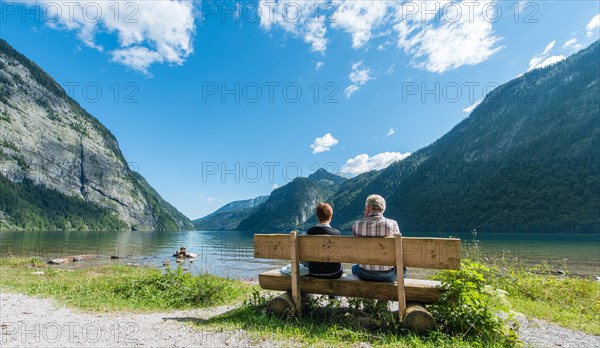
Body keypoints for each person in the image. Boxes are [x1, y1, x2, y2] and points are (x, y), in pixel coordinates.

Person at [351, 194, 407, 282]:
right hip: (387, 275)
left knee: (354, 267)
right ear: (383, 209)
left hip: (364, 273)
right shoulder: (392, 224)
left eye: (365, 209)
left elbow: (355, 248)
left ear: (368, 207)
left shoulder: (357, 225)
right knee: (404, 271)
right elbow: (399, 249)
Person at [306, 202, 344, 279]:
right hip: (334, 272)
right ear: (330, 216)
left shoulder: (310, 232)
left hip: (313, 271)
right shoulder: (336, 233)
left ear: (317, 216)